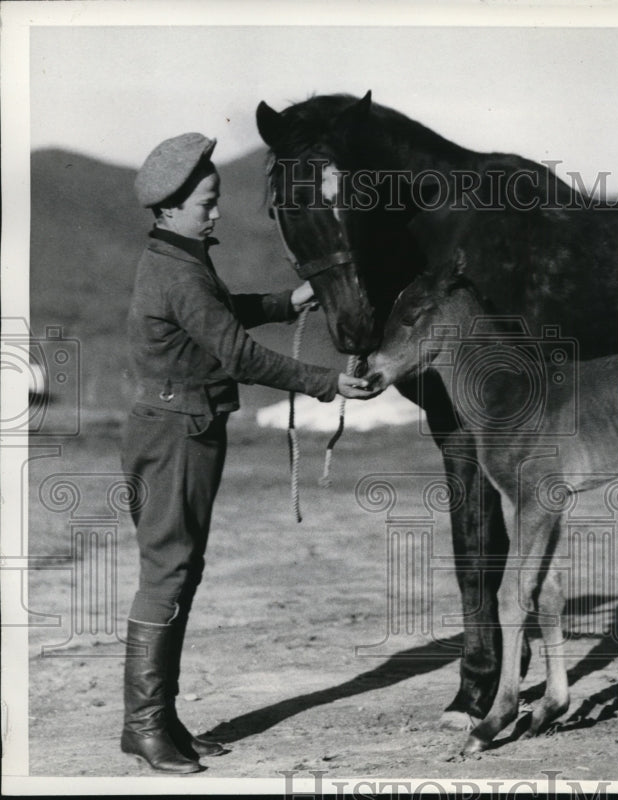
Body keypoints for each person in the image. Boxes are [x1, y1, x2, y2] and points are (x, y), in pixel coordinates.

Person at [120, 132, 366, 773]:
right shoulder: (177, 271)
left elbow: (222, 314)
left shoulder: (179, 256)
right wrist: (325, 382)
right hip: (173, 436)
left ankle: (161, 720)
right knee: (168, 574)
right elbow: (238, 353)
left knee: (180, 570)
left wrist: (291, 301)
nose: (217, 213)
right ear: (170, 207)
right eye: (207, 203)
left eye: (216, 199)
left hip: (186, 428)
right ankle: (146, 727)